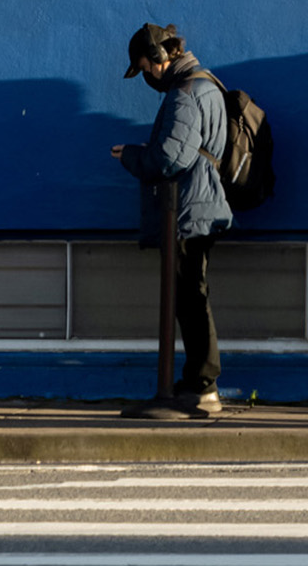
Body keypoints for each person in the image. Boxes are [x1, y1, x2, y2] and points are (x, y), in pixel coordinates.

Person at [110, 21, 234, 415]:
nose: (148, 74)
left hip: (186, 209)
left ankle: (201, 383)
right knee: (190, 295)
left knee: (189, 297)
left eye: (146, 67)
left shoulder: (184, 94)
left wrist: (129, 155)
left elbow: (170, 158)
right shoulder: (207, 85)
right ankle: (197, 381)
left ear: (160, 57)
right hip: (200, 205)